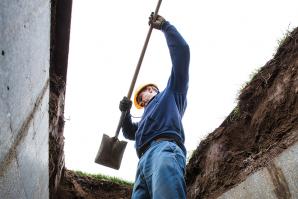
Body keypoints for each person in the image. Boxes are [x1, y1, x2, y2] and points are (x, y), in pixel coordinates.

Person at [119, 13, 190, 199]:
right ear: (141, 101)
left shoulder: (171, 94)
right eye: (146, 90)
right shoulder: (143, 120)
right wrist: (125, 112)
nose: (151, 90)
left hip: (164, 150)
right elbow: (128, 132)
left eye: (152, 88)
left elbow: (182, 53)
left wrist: (166, 27)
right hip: (142, 162)